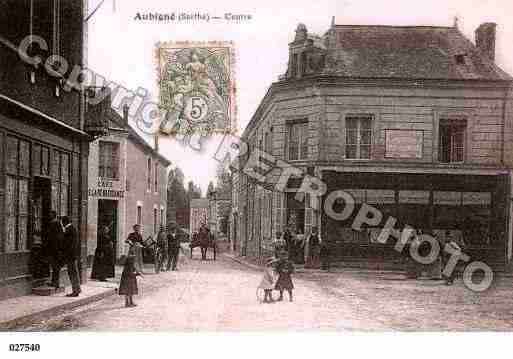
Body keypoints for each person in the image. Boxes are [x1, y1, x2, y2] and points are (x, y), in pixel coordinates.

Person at [43, 210, 64, 288]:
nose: (49, 216)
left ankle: (55, 282)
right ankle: (55, 282)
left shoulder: (54, 223)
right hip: (57, 249)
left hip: (54, 249)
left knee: (55, 266)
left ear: (53, 215)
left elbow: (51, 237)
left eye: (50, 214)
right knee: (56, 267)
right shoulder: (58, 223)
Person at [61, 216, 81, 297]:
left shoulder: (69, 230)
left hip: (70, 256)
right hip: (73, 255)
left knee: (72, 273)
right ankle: (77, 289)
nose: (62, 224)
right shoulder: (72, 229)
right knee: (74, 272)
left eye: (62, 222)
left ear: (64, 222)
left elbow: (68, 245)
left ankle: (75, 290)